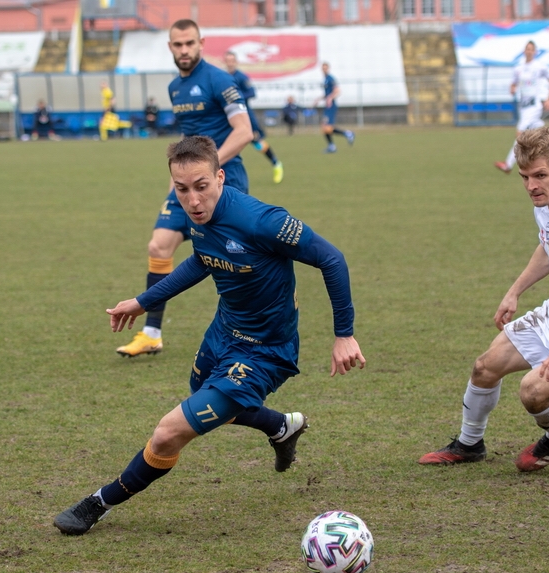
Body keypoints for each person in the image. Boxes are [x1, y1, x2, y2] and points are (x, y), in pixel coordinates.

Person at [53, 135, 366, 535]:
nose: (193, 200)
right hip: (223, 333)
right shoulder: (194, 215)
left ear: (220, 177)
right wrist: (143, 301)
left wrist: (344, 334)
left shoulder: (262, 220)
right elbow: (202, 260)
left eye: (202, 186)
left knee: (168, 433)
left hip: (265, 351)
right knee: (204, 395)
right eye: (182, 190)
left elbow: (331, 258)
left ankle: (97, 504)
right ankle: (281, 426)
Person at [420, 126, 549, 472]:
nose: (531, 185)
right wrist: (515, 291)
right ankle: (469, 444)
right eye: (524, 176)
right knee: (485, 367)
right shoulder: (547, 202)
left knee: (533, 391)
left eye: (540, 175)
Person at [115, 19, 253, 358]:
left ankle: (252, 332)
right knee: (159, 245)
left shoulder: (220, 81)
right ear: (170, 47)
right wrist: (176, 183)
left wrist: (207, 168)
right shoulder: (175, 87)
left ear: (201, 43)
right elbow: (187, 141)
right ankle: (150, 334)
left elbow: (244, 131)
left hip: (223, 181)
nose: (184, 50)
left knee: (235, 259)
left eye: (190, 43)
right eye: (178, 45)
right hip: (187, 183)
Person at [223, 51, 284, 184]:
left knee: (257, 143)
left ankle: (276, 163)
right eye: (228, 60)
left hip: (245, 116)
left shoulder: (241, 77)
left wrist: (236, 97)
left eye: (232, 60)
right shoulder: (222, 77)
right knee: (226, 144)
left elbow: (252, 92)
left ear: (236, 62)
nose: (230, 63)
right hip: (227, 118)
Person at [495, 41, 549, 174]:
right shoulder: (518, 68)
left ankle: (508, 165)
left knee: (520, 134)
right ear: (524, 51)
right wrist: (512, 88)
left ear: (535, 52)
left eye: (531, 49)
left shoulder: (540, 67)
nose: (529, 51)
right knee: (541, 132)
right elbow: (514, 83)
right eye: (527, 49)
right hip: (523, 107)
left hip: (534, 106)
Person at [313, 62, 354, 153]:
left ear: (328, 68)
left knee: (326, 126)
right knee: (325, 126)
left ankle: (346, 135)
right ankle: (333, 145)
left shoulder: (331, 78)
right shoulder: (325, 79)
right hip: (328, 106)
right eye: (323, 68)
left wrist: (330, 98)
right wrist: (319, 99)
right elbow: (327, 94)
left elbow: (338, 91)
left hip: (331, 106)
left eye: (325, 68)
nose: (324, 70)